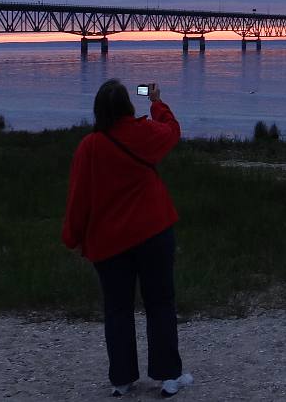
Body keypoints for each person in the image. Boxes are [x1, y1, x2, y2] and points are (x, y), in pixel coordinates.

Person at [62, 79, 192, 398]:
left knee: (117, 309)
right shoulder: (143, 134)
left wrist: (72, 237)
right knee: (160, 303)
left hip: (109, 243)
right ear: (128, 106)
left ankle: (122, 379)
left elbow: (79, 198)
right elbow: (172, 130)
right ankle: (168, 377)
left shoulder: (89, 146)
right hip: (154, 233)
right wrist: (157, 103)